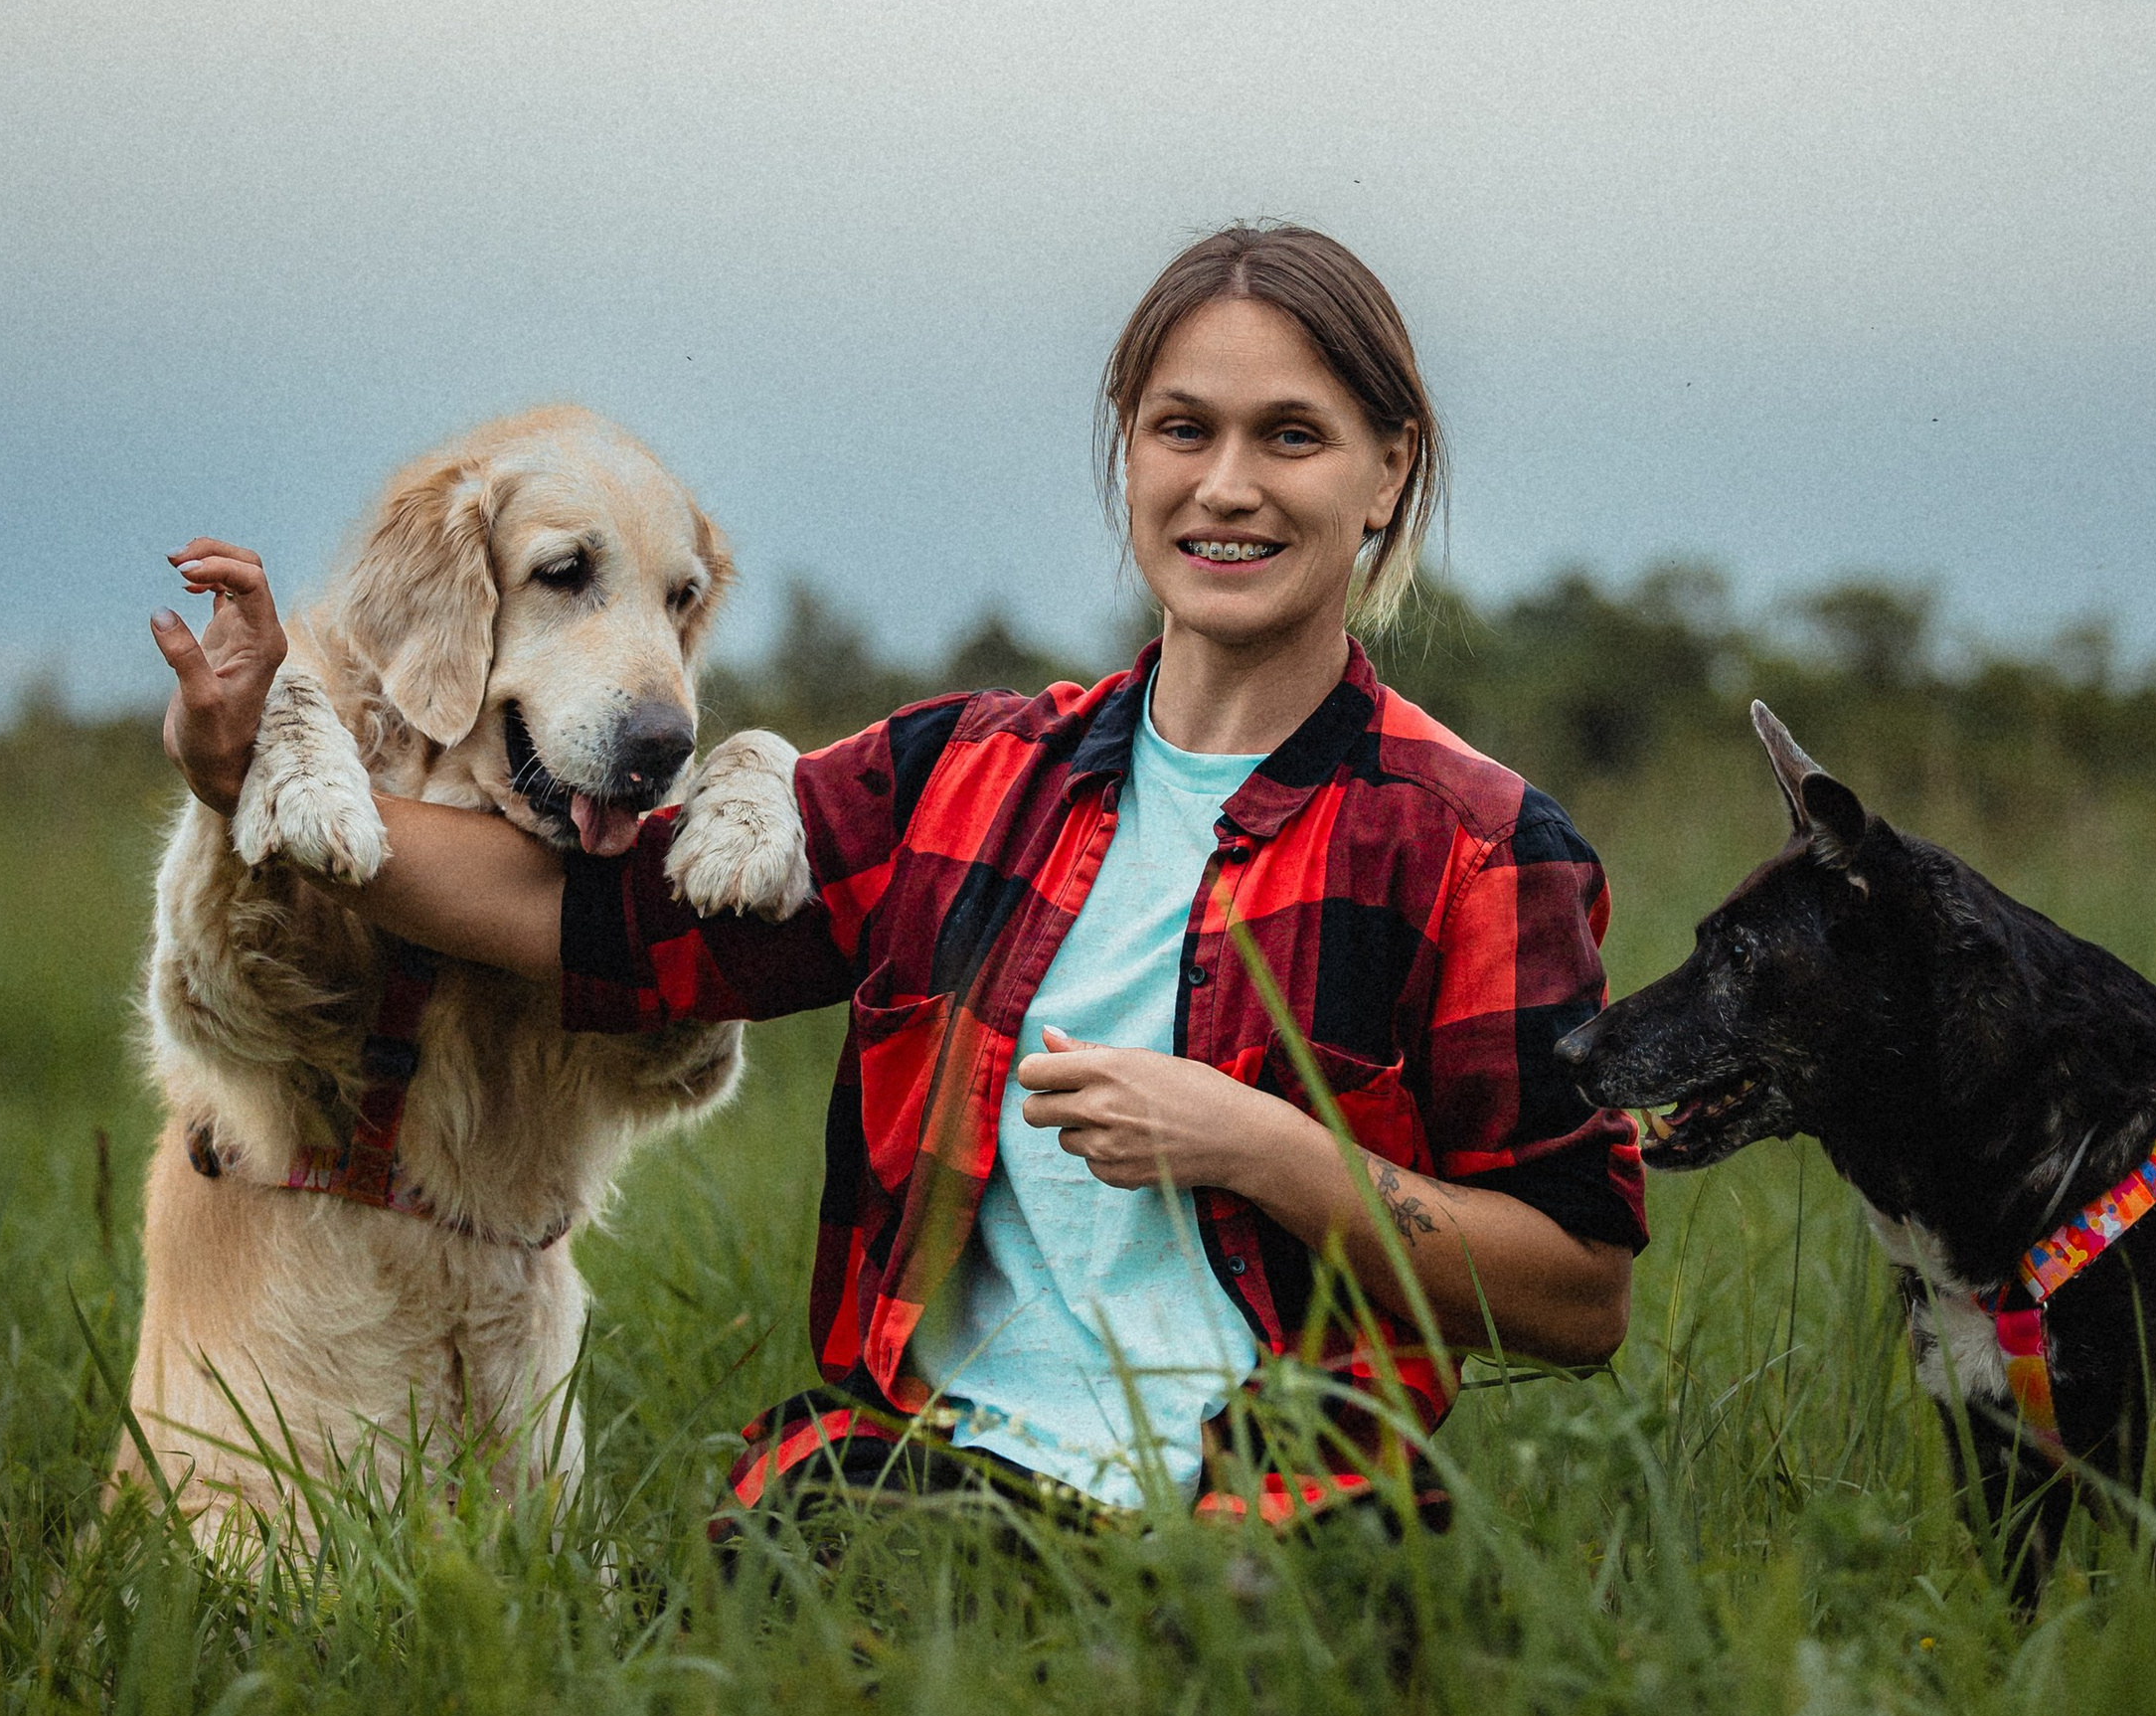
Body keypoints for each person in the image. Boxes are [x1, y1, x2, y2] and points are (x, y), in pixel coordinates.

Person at [157, 224, 1642, 1534]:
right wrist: (249, 788)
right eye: (1184, 428)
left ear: (1389, 471)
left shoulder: (1483, 848)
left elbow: (1578, 1289)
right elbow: (580, 920)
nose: (1227, 485)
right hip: (920, 1493)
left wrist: (1260, 1145)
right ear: (1129, 453)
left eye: (1293, 436)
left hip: (1286, 1507)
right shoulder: (958, 783)